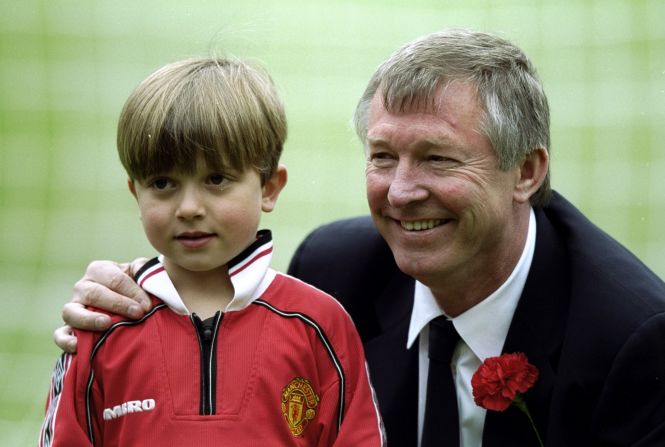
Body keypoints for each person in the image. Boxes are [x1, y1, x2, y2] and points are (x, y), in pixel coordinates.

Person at [54, 30, 665, 446]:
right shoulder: (335, 270)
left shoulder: (632, 340)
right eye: (382, 156)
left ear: (525, 172)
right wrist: (138, 300)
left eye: (437, 159)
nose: (400, 191)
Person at [40, 57, 385, 447]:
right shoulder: (99, 329)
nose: (188, 207)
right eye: (163, 182)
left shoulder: (320, 325)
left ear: (270, 187)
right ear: (136, 193)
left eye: (216, 179)